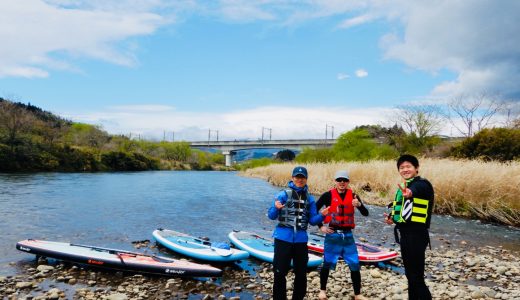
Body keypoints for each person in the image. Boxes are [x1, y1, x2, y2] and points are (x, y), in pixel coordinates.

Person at [267, 166, 328, 300]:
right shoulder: (282, 194)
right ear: (292, 178)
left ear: (306, 179)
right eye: (297, 177)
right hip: (283, 238)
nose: (300, 180)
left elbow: (312, 221)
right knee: (279, 272)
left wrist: (322, 216)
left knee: (301, 274)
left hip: (300, 240)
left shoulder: (310, 199)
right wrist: (276, 208)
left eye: (302, 177)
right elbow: (271, 216)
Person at [384, 154, 434, 300]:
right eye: (402, 167)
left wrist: (410, 193)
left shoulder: (422, 184)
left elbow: (416, 190)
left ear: (416, 168)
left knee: (416, 276)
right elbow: (406, 213)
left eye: (408, 166)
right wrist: (393, 219)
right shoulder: (407, 185)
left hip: (417, 236)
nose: (405, 169)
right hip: (406, 235)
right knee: (410, 275)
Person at [315, 170, 369, 300]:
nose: (342, 182)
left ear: (348, 182)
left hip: (348, 235)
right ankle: (322, 291)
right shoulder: (327, 195)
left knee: (355, 264)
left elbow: (366, 213)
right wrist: (321, 226)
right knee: (327, 262)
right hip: (332, 234)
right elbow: (314, 211)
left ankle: (358, 294)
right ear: (335, 182)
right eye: (339, 180)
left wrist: (360, 205)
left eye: (344, 180)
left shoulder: (354, 196)